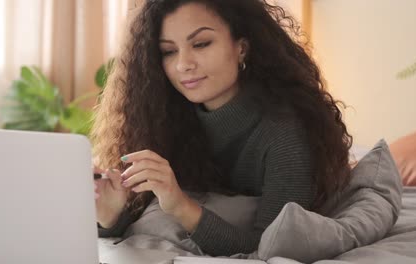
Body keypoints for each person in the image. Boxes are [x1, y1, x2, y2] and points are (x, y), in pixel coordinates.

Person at [91, 0, 353, 257]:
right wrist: (111, 215)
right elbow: (142, 223)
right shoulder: (159, 120)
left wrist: (181, 206)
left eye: (201, 44)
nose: (184, 64)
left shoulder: (285, 134)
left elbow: (271, 248)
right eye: (168, 51)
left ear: (242, 48)